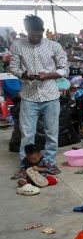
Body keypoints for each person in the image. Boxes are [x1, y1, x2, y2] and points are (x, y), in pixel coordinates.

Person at [9, 15, 69, 174]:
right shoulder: (17, 45)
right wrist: (24, 74)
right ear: (26, 31)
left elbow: (64, 69)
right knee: (27, 134)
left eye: (38, 34)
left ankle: (49, 163)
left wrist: (48, 75)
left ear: (43, 31)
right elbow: (14, 68)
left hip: (51, 95)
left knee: (52, 133)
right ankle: (25, 165)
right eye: (32, 34)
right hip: (29, 96)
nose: (35, 37)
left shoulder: (54, 46)